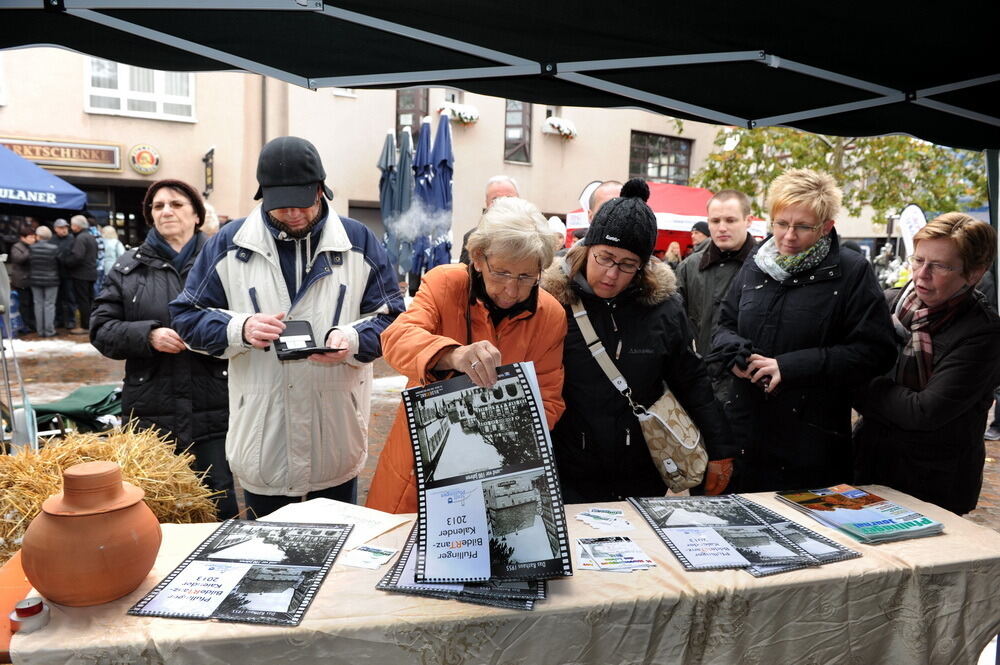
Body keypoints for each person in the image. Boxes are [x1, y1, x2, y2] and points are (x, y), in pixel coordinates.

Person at [170, 136, 404, 518]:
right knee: (270, 558)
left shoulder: (359, 241)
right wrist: (239, 330)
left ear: (321, 190)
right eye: (281, 206)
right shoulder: (228, 244)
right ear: (262, 196)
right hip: (263, 442)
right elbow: (187, 317)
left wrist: (352, 340)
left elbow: (393, 319)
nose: (293, 213)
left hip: (336, 439)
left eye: (303, 203)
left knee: (335, 554)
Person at [366, 197, 567, 513]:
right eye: (501, 272)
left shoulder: (551, 315)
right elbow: (395, 339)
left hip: (498, 472)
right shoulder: (445, 283)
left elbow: (550, 401)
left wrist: (502, 439)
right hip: (417, 469)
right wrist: (452, 355)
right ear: (478, 258)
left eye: (526, 277)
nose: (511, 290)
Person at [540, 179, 736, 502]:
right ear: (588, 247)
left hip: (642, 474)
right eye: (605, 257)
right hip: (571, 472)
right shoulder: (553, 302)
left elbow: (693, 380)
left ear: (643, 266)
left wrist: (721, 447)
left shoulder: (663, 308)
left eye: (627, 264)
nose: (611, 274)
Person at [712, 168, 895, 493]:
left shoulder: (853, 272)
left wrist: (791, 367)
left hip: (810, 445)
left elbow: (875, 352)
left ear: (826, 227)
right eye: (781, 224)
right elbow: (724, 323)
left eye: (802, 227)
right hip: (745, 435)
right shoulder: (757, 262)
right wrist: (733, 353)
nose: (788, 236)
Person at [91, 179, 237, 519]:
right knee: (155, 511)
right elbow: (101, 329)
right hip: (150, 410)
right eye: (158, 206)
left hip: (214, 404)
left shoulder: (225, 263)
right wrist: (149, 336)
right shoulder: (129, 267)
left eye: (176, 204)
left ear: (197, 216)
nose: (166, 211)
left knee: (219, 504)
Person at [855, 213, 1000, 515]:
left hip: (934, 484)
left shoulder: (983, 332)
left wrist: (857, 383)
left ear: (974, 273)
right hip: (868, 467)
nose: (922, 274)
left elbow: (924, 412)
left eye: (940, 266)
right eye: (918, 260)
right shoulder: (890, 304)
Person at [675, 189, 755, 361]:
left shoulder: (764, 266)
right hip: (699, 377)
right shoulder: (689, 267)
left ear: (748, 221)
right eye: (715, 221)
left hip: (745, 379)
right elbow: (672, 323)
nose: (722, 228)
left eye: (730, 220)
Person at [458, 175, 519, 264]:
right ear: (486, 203)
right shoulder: (473, 237)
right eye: (495, 199)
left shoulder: (536, 234)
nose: (503, 203)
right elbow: (465, 274)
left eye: (508, 198)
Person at [61, 214, 98, 334]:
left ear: (77, 226)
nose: (71, 227)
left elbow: (78, 256)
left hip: (81, 274)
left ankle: (85, 326)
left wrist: (66, 262)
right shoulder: (91, 236)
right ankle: (92, 324)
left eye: (72, 225)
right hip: (91, 272)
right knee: (90, 300)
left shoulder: (81, 238)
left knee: (83, 301)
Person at [28, 225, 60, 338]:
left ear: (38, 236)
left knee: (38, 304)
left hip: (35, 280)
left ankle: (40, 331)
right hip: (52, 279)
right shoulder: (54, 248)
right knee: (49, 304)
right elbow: (59, 263)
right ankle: (49, 330)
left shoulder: (32, 248)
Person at [8, 225, 36, 333]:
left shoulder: (32, 246)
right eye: (30, 237)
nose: (33, 239)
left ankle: (32, 324)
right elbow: (18, 259)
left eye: (34, 237)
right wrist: (30, 250)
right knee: (24, 304)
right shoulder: (16, 247)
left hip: (32, 279)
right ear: (23, 237)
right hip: (22, 281)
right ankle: (25, 326)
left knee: (32, 304)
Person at [52, 218, 76, 330]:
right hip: (55, 274)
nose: (64, 230)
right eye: (61, 228)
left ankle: (71, 320)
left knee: (70, 298)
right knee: (57, 299)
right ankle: (59, 320)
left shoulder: (72, 239)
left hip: (69, 274)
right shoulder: (52, 240)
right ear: (56, 229)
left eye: (66, 227)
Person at [96, 225, 126, 294]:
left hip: (100, 268)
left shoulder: (100, 242)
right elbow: (122, 256)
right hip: (113, 268)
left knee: (100, 288)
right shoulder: (116, 243)